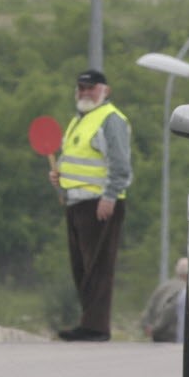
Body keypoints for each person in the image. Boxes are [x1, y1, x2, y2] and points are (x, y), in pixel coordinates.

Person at [49, 67, 131, 342]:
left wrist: (109, 197)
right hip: (76, 202)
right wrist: (58, 174)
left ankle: (96, 327)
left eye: (91, 88)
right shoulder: (80, 119)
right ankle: (88, 322)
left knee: (98, 267)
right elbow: (76, 159)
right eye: (82, 88)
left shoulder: (110, 119)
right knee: (82, 267)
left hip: (100, 203)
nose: (85, 92)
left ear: (104, 91)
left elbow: (120, 165)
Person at [141, 257, 186, 343]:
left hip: (157, 334)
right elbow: (170, 310)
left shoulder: (163, 286)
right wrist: (156, 329)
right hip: (170, 336)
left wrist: (146, 326)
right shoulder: (185, 290)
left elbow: (150, 307)